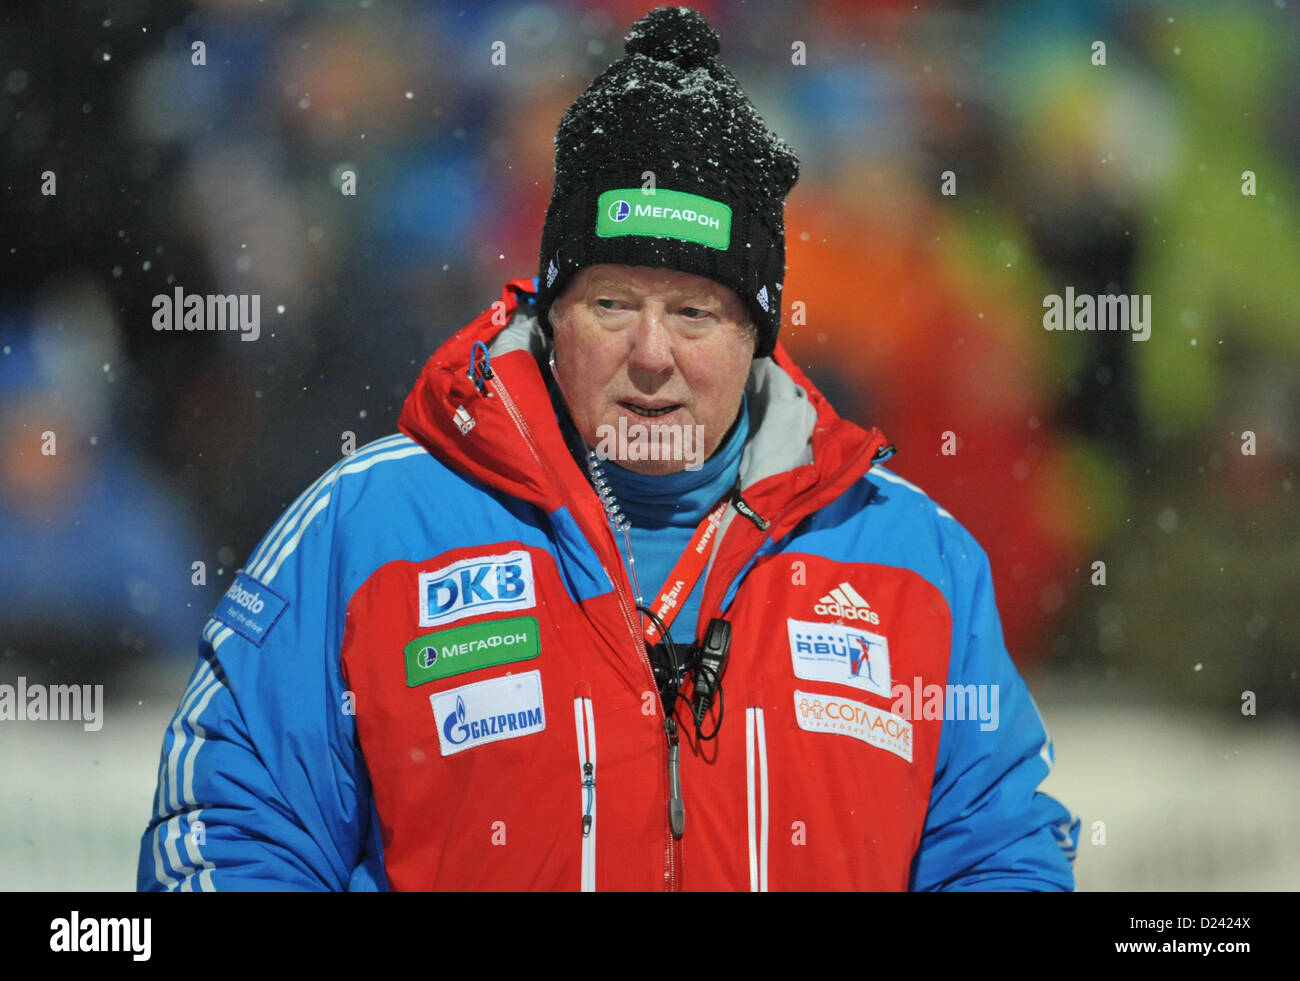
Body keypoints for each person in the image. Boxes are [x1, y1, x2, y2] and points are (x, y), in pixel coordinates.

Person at [138, 5, 1078, 892]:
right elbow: (227, 829)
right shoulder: (373, 526)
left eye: (696, 312)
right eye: (611, 304)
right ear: (550, 315)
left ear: (760, 334)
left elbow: (1000, 848)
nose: (652, 356)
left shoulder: (912, 559)